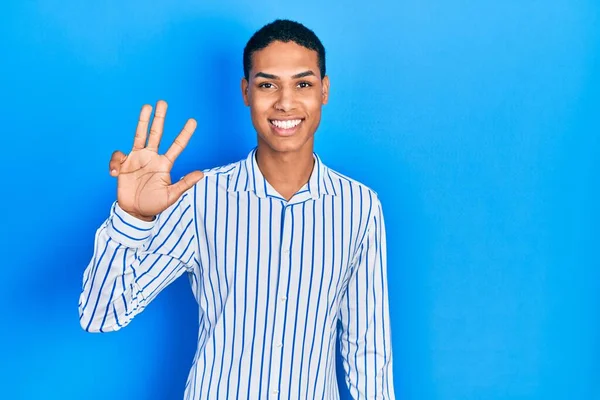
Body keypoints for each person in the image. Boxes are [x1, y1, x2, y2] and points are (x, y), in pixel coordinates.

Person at [78, 19, 396, 400]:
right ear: (246, 92)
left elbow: (368, 350)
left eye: (303, 83)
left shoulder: (359, 207)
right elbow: (100, 315)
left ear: (324, 91)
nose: (285, 102)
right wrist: (132, 218)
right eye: (267, 84)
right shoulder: (201, 198)